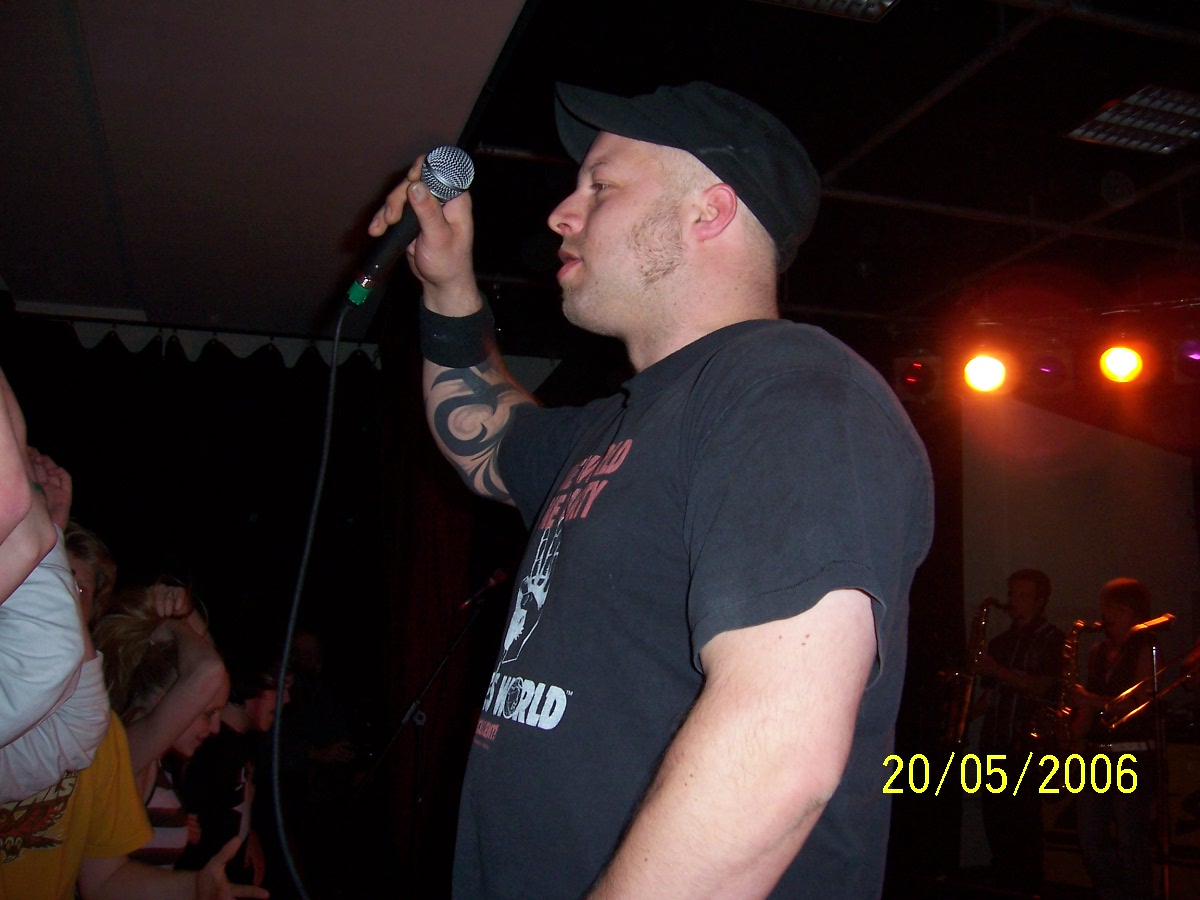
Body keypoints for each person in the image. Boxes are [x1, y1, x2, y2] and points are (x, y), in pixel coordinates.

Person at [369, 81, 935, 899]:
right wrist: (447, 289)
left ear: (708, 211)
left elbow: (776, 751)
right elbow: (484, 438)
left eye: (600, 185)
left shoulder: (795, 391)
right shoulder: (612, 429)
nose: (562, 214)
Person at [0, 708, 268, 900]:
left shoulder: (100, 731)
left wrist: (195, 887)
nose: (215, 727)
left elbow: (105, 881)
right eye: (207, 712)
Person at [93, 582, 230, 869]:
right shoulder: (128, 749)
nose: (216, 728)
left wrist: (185, 611)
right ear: (166, 700)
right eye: (208, 713)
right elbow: (209, 670)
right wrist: (173, 626)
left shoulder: (150, 759)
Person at [971, 568, 1065, 892]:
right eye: (1012, 594)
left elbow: (1042, 686)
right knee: (996, 823)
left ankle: (1029, 888)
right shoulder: (1001, 642)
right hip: (995, 741)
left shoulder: (1054, 639)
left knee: (1025, 826)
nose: (1014, 601)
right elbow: (990, 696)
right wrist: (962, 717)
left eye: (1023, 595)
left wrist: (997, 671)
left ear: (1040, 601)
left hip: (1029, 747)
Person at [1071, 578, 1159, 900]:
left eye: (1118, 609)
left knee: (1131, 841)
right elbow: (1089, 706)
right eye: (1107, 608)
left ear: (1136, 615)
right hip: (1096, 754)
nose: (1108, 615)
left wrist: (1090, 700)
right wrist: (1073, 734)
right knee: (1090, 838)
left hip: (1132, 756)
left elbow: (1140, 701)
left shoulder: (1146, 647)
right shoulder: (1098, 651)